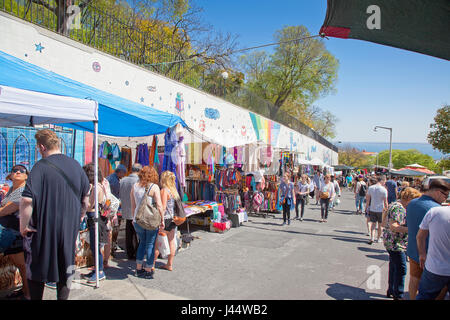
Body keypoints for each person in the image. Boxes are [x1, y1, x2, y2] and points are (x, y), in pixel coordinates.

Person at [19, 129, 90, 300]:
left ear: (42, 147)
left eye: (37, 148)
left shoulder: (40, 167)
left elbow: (26, 201)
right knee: (66, 269)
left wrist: (24, 225)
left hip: (42, 230)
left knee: (37, 270)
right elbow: (87, 196)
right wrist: (80, 215)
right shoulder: (75, 165)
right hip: (68, 230)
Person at [406, 178, 449, 300]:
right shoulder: (436, 210)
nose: (445, 199)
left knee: (414, 279)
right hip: (430, 254)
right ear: (437, 192)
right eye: (445, 195)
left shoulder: (412, 203)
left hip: (413, 248)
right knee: (436, 288)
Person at [382, 187, 422, 300]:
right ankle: (398, 294)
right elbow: (394, 227)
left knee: (394, 266)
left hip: (392, 241)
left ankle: (391, 290)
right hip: (395, 242)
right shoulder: (398, 208)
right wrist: (411, 229)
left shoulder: (396, 205)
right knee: (401, 268)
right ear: (409, 198)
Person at [0, 164, 30, 300]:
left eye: (21, 170)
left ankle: (28, 294)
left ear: (26, 176)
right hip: (11, 231)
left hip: (16, 233)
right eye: (14, 170)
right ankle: (25, 290)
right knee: (20, 265)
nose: (18, 172)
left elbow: (6, 210)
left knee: (22, 266)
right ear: (10, 176)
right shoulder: (12, 189)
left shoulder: (22, 191)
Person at [130, 166, 164, 279]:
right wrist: (162, 220)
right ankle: (148, 269)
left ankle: (138, 268)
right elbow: (159, 205)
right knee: (150, 244)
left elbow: (133, 205)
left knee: (142, 243)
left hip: (137, 219)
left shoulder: (134, 186)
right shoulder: (154, 187)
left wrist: (133, 218)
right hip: (150, 221)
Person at [82, 163, 109, 284]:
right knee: (95, 246)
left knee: (95, 246)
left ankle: (100, 271)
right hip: (96, 218)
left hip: (95, 218)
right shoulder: (99, 185)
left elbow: (90, 206)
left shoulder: (96, 188)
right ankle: (97, 270)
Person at [416, 206, 450, 300]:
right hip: (435, 268)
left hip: (435, 267)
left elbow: (420, 236)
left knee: (424, 296)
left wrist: (422, 254)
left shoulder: (435, 211)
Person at [154, 171, 179, 271]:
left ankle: (152, 264)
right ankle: (169, 264)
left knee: (157, 242)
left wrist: (160, 220)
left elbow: (163, 207)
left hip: (165, 219)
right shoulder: (173, 191)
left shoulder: (164, 191)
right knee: (171, 241)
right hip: (172, 219)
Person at [119, 163, 142, 260]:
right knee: (139, 233)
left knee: (128, 232)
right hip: (136, 210)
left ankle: (130, 252)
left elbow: (120, 194)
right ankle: (138, 252)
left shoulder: (123, 180)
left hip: (126, 209)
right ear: (139, 170)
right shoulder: (139, 181)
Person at [366, 175, 388, 244]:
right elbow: (385, 201)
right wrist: (387, 209)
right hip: (381, 209)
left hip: (372, 208)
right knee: (380, 225)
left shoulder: (371, 188)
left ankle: (372, 237)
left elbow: (368, 200)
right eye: (384, 181)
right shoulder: (384, 189)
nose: (385, 182)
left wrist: (367, 207)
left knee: (373, 224)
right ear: (382, 180)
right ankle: (378, 238)